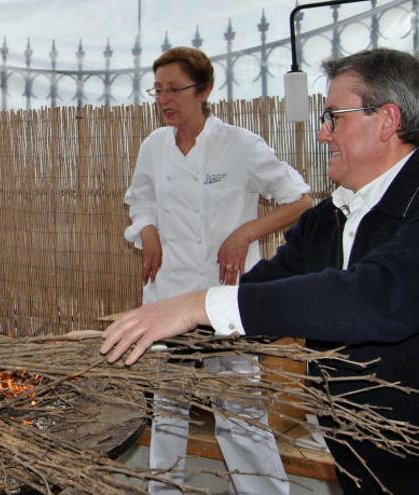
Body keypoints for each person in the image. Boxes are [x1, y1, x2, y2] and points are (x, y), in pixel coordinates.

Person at [102, 47, 419, 495]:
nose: (323, 135)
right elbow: (271, 285)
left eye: (333, 118)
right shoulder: (328, 220)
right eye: (159, 90)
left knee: (239, 417)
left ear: (386, 120)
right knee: (168, 412)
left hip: (407, 452)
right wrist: (149, 333)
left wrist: (200, 302)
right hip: (362, 456)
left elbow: (375, 296)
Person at [122, 47, 312, 494]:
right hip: (167, 295)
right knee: (168, 406)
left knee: (238, 407)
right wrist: (147, 232)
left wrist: (244, 234)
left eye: (175, 89)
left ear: (203, 91)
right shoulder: (154, 146)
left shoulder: (239, 144)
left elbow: (299, 200)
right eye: (158, 90)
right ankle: (163, 489)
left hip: (221, 297)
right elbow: (140, 199)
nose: (164, 99)